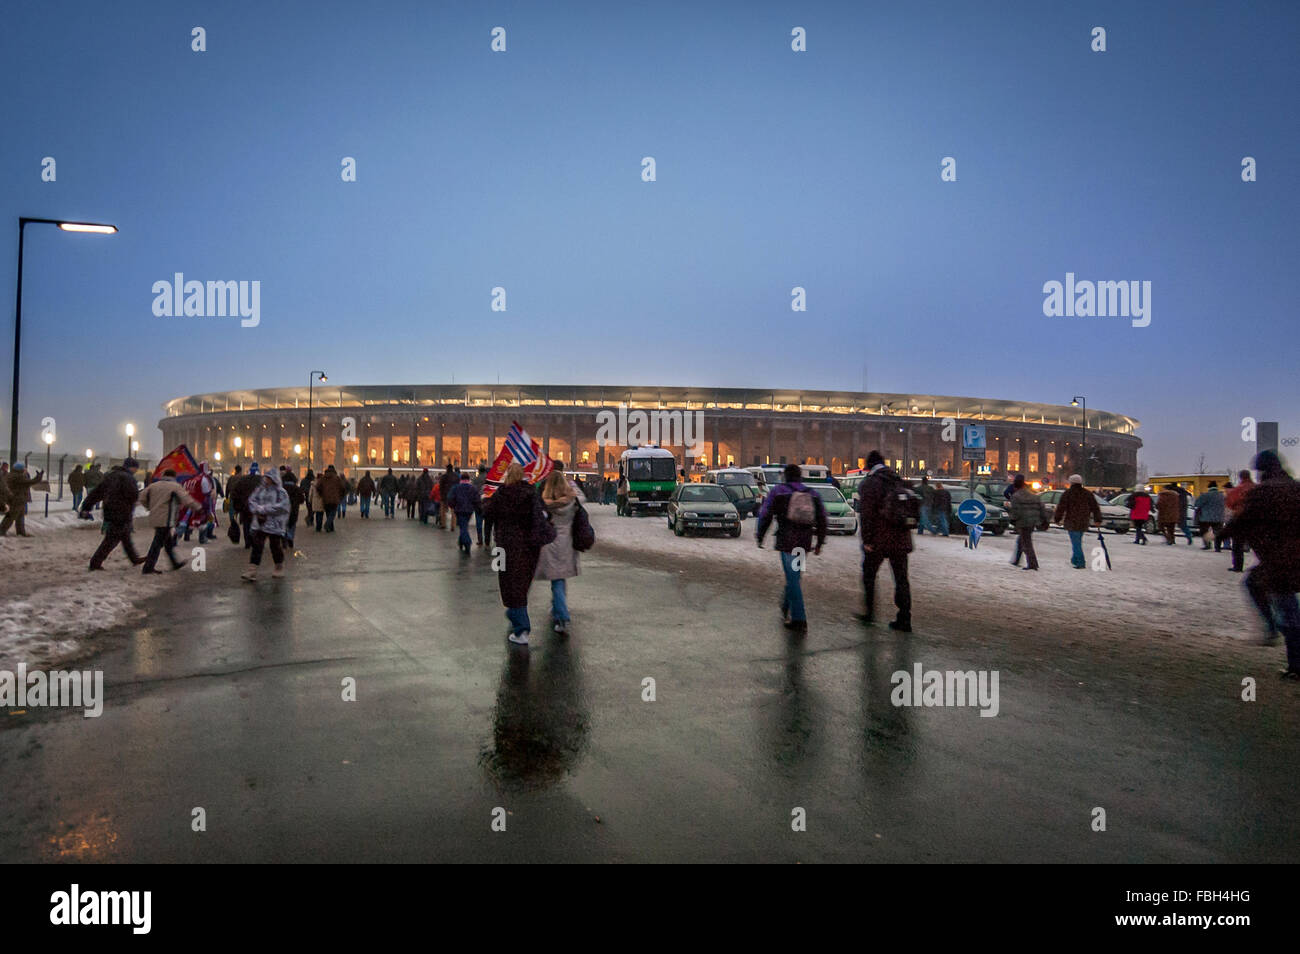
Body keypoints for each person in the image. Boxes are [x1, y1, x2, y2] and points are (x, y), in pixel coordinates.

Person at [1220, 451, 1300, 675]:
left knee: (1286, 608)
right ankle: (1277, 634)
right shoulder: (1295, 487)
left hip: (1280, 560)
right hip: (1289, 557)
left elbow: (1243, 520)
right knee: (1277, 598)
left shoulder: (1263, 492)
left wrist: (1219, 536)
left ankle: (1290, 655)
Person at [756, 463, 828, 634]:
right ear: (800, 476)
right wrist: (819, 542)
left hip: (787, 542)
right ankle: (786, 605)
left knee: (793, 579)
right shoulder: (812, 493)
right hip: (804, 542)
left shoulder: (778, 492)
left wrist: (760, 536)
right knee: (795, 576)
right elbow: (823, 518)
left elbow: (765, 515)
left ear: (785, 476)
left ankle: (799, 619)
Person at [483, 463, 550, 646]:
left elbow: (487, 513)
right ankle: (515, 613)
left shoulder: (501, 494)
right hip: (528, 547)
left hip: (504, 546)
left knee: (508, 584)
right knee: (521, 583)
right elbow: (541, 517)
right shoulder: (531, 494)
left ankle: (521, 627)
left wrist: (485, 499)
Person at [858, 450, 914, 631]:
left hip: (878, 539)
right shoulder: (899, 480)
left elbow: (866, 515)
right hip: (901, 538)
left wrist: (867, 540)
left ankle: (870, 614)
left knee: (869, 575)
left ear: (869, 465)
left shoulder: (870, 483)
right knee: (901, 579)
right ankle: (904, 618)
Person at [534, 470, 585, 634]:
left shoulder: (544, 503)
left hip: (550, 542)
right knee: (559, 578)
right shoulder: (572, 501)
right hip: (567, 543)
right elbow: (582, 502)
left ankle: (561, 615)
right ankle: (558, 606)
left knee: (556, 579)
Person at [81, 458, 144, 569]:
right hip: (122, 512)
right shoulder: (128, 478)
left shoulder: (111, 476)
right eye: (136, 468)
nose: (136, 470)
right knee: (111, 540)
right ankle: (95, 563)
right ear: (132, 467)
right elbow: (133, 495)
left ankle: (134, 558)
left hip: (110, 510)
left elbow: (98, 492)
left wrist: (86, 506)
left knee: (125, 536)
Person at [139, 468, 200, 573]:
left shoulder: (154, 485)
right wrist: (198, 507)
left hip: (155, 516)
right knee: (157, 543)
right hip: (166, 518)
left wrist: (149, 507)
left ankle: (174, 563)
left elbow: (142, 497)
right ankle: (148, 567)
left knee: (167, 542)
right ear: (174, 476)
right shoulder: (175, 486)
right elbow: (186, 499)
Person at [242, 469, 291, 581]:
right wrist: (257, 509)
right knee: (257, 546)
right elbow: (251, 500)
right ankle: (252, 570)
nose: (266, 480)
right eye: (266, 478)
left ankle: (279, 566)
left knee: (275, 546)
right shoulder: (260, 490)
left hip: (275, 525)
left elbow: (283, 506)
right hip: (261, 523)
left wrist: (264, 509)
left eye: (269, 478)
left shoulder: (281, 492)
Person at [1053, 474, 1103, 569]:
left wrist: (1057, 519)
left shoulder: (1068, 493)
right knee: (1077, 541)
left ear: (1071, 482)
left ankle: (1080, 562)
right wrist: (1098, 519)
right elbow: (1095, 507)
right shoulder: (1087, 493)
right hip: (1084, 521)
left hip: (1072, 520)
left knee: (1076, 542)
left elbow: (1061, 507)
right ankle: (1075, 559)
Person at [1008, 475, 1048, 570]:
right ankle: (1016, 560)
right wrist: (1043, 520)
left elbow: (1015, 511)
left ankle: (1033, 564)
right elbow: (1041, 508)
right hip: (1033, 521)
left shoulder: (1015, 497)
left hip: (1023, 522)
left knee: (1026, 543)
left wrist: (1013, 520)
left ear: (1015, 486)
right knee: (1022, 541)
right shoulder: (1033, 495)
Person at [0, 463, 45, 537]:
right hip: (16, 499)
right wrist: (39, 477)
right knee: (11, 516)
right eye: (24, 468)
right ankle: (2, 531)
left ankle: (20, 532)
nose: (25, 469)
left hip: (18, 499)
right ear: (20, 469)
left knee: (20, 516)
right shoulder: (18, 477)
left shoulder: (12, 475)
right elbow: (30, 482)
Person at [177, 461, 217, 543]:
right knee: (202, 520)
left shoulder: (189, 478)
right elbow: (206, 491)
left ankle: (179, 537)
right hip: (199, 502)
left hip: (187, 502)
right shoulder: (203, 479)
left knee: (185, 521)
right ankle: (202, 538)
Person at [1224, 469, 1255, 572]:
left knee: (1237, 544)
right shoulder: (1257, 488)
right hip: (1257, 519)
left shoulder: (1238, 490)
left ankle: (1238, 566)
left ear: (1241, 477)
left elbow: (1230, 503)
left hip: (1241, 519)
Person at [446, 470, 482, 554]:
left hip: (459, 510)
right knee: (464, 525)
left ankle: (467, 542)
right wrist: (477, 508)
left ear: (461, 479)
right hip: (469, 510)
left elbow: (450, 498)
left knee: (463, 526)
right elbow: (477, 500)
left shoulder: (456, 488)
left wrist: (453, 506)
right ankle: (461, 541)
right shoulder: (473, 488)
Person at [1194, 481, 1226, 552]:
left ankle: (1207, 544)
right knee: (1218, 532)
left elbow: (1197, 504)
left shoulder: (1205, 495)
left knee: (1204, 531)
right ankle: (1218, 547)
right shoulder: (1222, 496)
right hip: (1219, 517)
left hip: (1206, 517)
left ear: (1209, 488)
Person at [313, 465, 345, 531]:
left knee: (328, 513)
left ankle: (331, 528)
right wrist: (340, 495)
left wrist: (321, 493)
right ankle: (328, 524)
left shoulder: (323, 478)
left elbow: (318, 486)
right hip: (335, 498)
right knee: (332, 513)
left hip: (325, 498)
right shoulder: (337, 478)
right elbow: (342, 488)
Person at [281, 467, 303, 545]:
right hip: (294, 509)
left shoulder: (281, 488)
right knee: (292, 524)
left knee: (284, 523)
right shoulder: (296, 488)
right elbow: (301, 499)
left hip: (283, 509)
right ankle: (290, 537)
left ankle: (284, 536)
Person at [471, 465, 489, 544]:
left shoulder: (475, 479)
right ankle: (487, 540)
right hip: (488, 503)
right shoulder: (489, 479)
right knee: (488, 523)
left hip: (478, 503)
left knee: (479, 522)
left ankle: (480, 539)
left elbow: (473, 491)